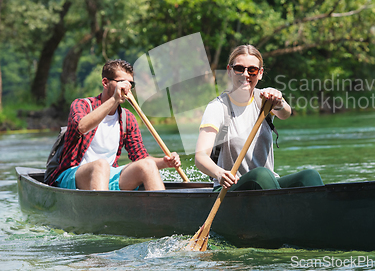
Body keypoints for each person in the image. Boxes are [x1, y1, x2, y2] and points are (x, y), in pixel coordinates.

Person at [195, 44, 323, 191]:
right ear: (229, 71)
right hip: (229, 189)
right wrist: (219, 173)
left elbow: (285, 113)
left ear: (260, 73)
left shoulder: (264, 100)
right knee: (260, 175)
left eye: (252, 70)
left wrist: (279, 102)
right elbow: (200, 157)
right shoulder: (217, 107)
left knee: (309, 176)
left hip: (269, 185)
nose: (245, 74)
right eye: (239, 68)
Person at [47, 59, 181, 191]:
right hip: (72, 175)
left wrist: (165, 162)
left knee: (147, 164)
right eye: (122, 82)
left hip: (108, 175)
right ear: (105, 83)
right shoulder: (82, 105)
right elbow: (81, 127)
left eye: (131, 84)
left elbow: (140, 157)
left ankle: (162, 210)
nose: (127, 88)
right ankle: (103, 211)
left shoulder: (127, 118)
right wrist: (114, 99)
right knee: (101, 165)